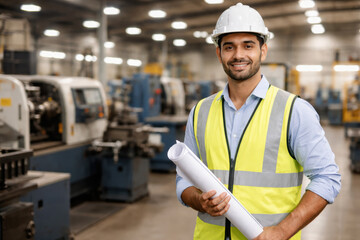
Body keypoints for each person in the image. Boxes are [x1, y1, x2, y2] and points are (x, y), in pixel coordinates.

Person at [175, 2, 341, 240]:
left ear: (263, 50)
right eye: (229, 47)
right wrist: (198, 201)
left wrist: (283, 231)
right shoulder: (200, 111)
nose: (238, 55)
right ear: (218, 53)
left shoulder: (294, 111)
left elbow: (328, 178)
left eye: (248, 45)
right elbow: (184, 179)